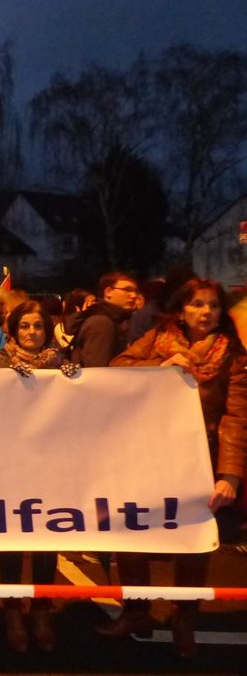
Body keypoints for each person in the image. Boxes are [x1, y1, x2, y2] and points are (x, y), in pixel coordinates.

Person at [102, 278, 247, 658]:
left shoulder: (232, 353)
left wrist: (230, 475)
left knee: (193, 539)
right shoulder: (158, 338)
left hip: (200, 456)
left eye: (213, 305)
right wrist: (160, 365)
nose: (206, 312)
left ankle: (185, 618)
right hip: (148, 450)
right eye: (197, 304)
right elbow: (118, 367)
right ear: (182, 310)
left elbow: (237, 417)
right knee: (132, 527)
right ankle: (136, 611)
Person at [0, 300, 79, 653]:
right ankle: (12, 610)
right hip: (8, 463)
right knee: (10, 536)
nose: (31, 332)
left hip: (49, 464)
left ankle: (41, 610)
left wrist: (75, 382)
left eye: (38, 326)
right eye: (24, 325)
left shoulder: (62, 364)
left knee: (45, 537)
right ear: (13, 330)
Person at [64, 271, 139, 366]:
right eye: (127, 289)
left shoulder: (116, 318)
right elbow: (97, 367)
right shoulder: (102, 322)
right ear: (108, 292)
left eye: (136, 291)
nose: (134, 295)